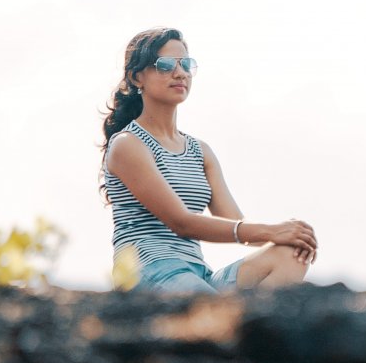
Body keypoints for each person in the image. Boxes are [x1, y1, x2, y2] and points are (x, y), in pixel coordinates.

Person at [100, 27, 318, 294]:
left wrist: (289, 233)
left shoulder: (200, 151)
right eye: (166, 65)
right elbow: (181, 222)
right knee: (214, 309)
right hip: (149, 269)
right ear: (137, 78)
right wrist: (270, 230)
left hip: (198, 274)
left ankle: (250, 328)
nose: (180, 73)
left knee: (289, 253)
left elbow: (235, 221)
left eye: (186, 65)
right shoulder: (128, 144)